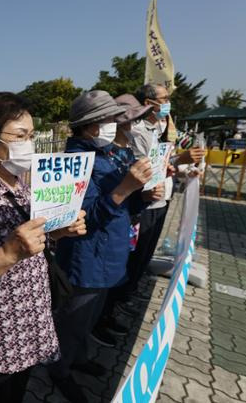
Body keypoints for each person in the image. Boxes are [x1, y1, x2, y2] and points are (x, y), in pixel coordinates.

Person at [0, 92, 86, 403]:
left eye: (32, 135)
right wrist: (9, 253)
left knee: (16, 393)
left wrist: (59, 232)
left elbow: (34, 241)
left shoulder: (22, 185)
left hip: (28, 321)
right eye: (20, 136)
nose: (29, 144)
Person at [46, 90, 154, 403]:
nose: (116, 125)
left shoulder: (108, 153)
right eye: (109, 120)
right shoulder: (72, 164)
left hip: (109, 254)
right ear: (92, 126)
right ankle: (59, 368)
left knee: (89, 317)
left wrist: (141, 195)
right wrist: (125, 188)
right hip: (86, 258)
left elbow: (123, 204)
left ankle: (77, 358)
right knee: (72, 319)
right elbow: (84, 219)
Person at [120, 84, 205, 311]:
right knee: (135, 255)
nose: (168, 103)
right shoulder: (138, 132)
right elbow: (147, 169)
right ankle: (122, 297)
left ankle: (131, 290)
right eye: (164, 98)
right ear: (149, 103)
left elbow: (165, 163)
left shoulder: (160, 128)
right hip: (144, 201)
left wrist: (185, 169)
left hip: (162, 198)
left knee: (146, 252)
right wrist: (179, 161)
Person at [91, 94, 164, 346]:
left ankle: (105, 315)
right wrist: (128, 188)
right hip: (101, 240)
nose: (132, 125)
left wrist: (143, 195)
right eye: (127, 120)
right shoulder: (96, 157)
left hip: (123, 228)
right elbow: (94, 213)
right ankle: (93, 327)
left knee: (112, 283)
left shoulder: (121, 152)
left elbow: (126, 198)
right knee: (88, 301)